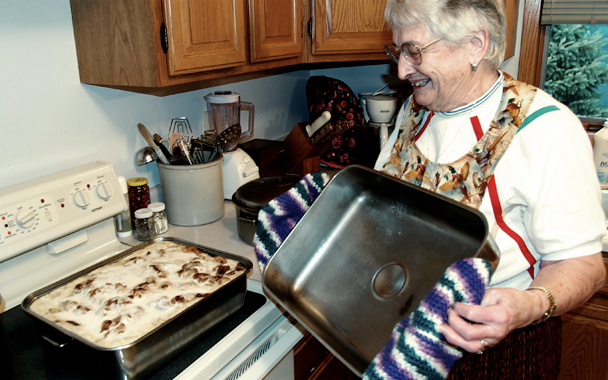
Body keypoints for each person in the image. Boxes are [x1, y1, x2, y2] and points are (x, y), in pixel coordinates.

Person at [370, 0, 607, 378]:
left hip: (493, 351)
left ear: (475, 45)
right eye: (398, 51)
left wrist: (526, 306)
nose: (401, 70)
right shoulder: (415, 110)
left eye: (415, 51)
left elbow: (585, 265)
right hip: (403, 333)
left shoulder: (546, 128)